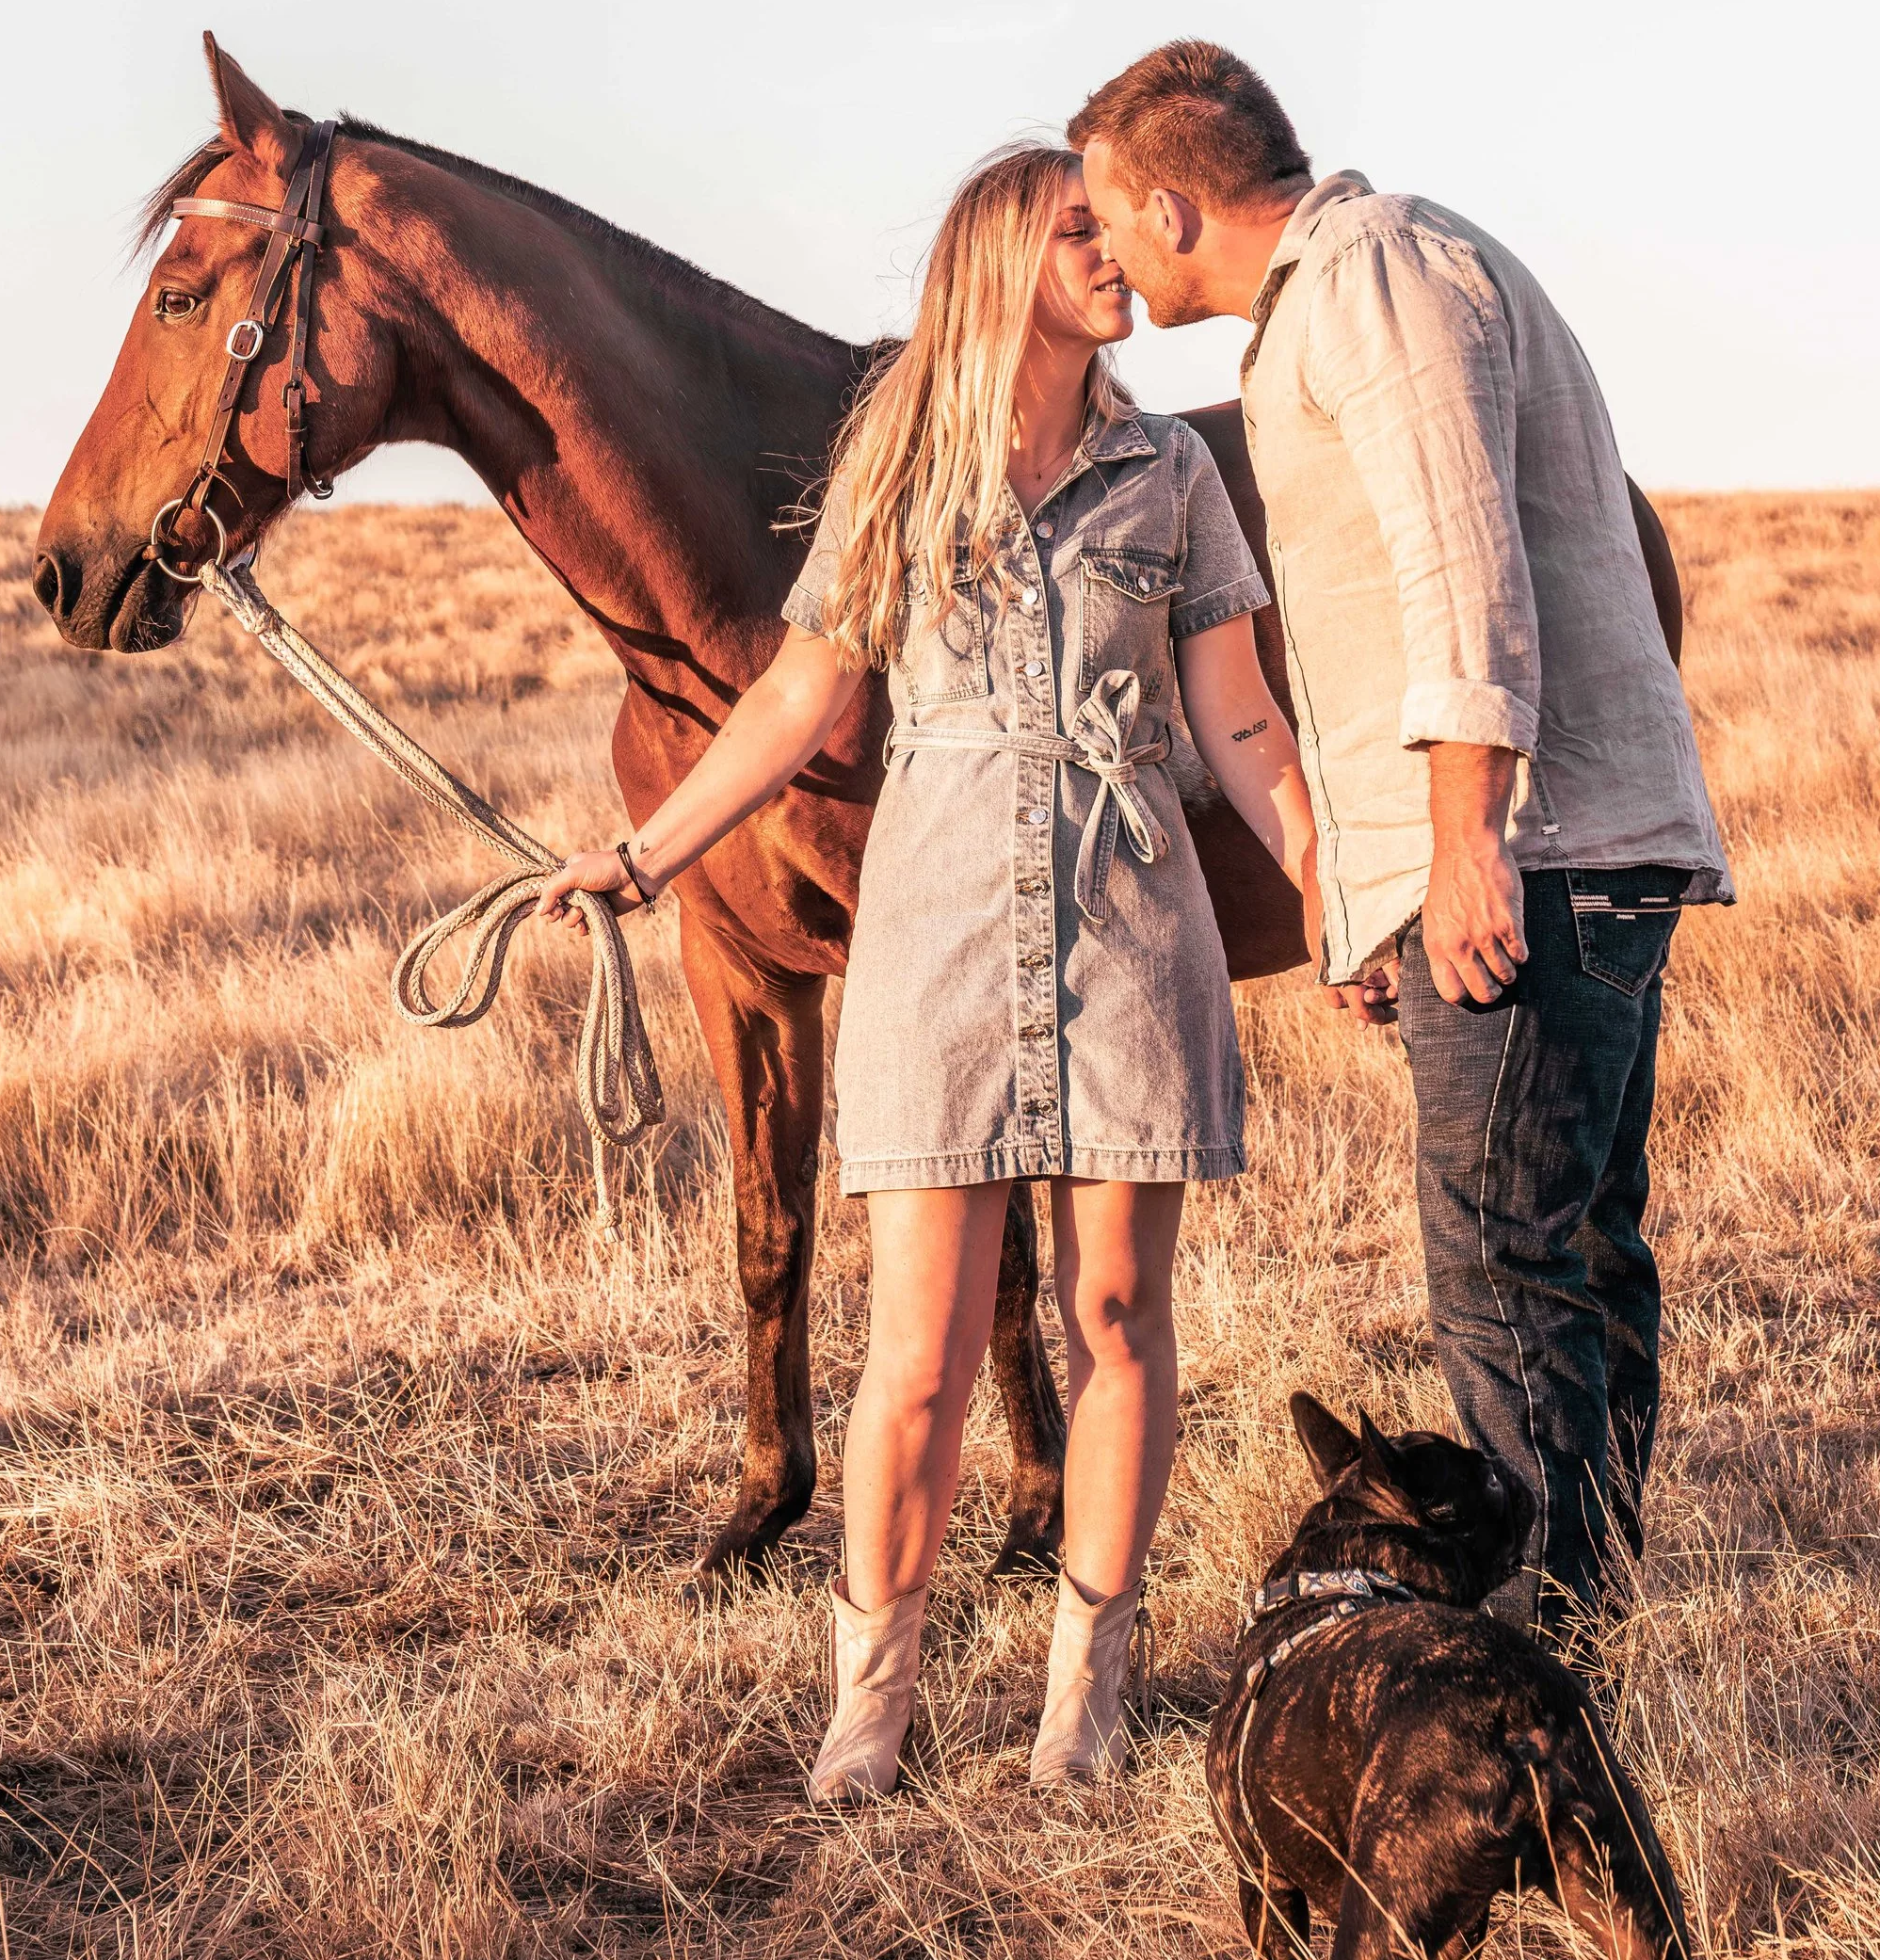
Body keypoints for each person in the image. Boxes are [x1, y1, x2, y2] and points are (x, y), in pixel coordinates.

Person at [534, 144, 1319, 1797]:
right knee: (922, 1356)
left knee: (1117, 1312)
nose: (1117, 254)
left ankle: (1082, 1698)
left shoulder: (1171, 471)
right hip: (942, 928)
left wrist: (1329, 872)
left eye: (1115, 228)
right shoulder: (897, 461)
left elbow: (1238, 716)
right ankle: (870, 1705)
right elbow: (803, 695)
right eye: (1078, 231)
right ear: (995, 262)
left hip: (1129, 913)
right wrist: (648, 852)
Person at [1070, 44, 1732, 1655]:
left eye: (1104, 217)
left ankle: (1538, 1647)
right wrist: (1373, 895)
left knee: (1504, 1261)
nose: (1102, 253)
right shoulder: (1366, 285)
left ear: (1170, 204)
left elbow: (1459, 565)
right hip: (1552, 849)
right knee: (1570, 1245)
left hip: (1537, 853)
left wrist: (1460, 846)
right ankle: (1591, 1619)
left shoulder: (1370, 281)